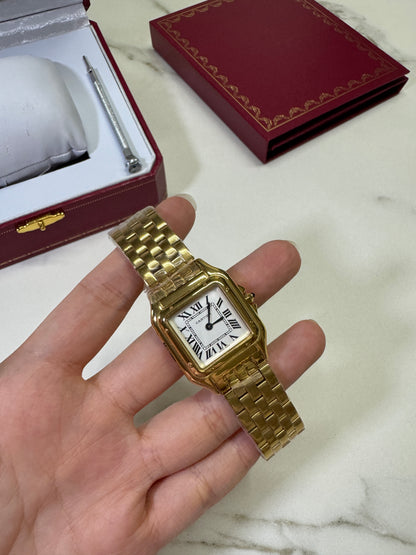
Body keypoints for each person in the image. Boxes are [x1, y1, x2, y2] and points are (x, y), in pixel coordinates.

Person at [0, 196, 325, 555]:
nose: (211, 324)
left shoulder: (214, 287)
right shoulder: (170, 324)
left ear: (243, 301)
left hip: (242, 353)